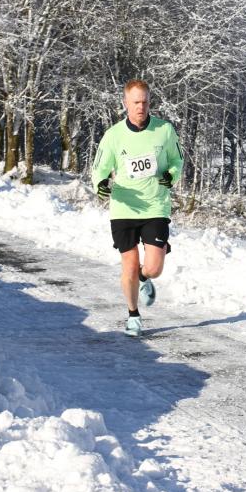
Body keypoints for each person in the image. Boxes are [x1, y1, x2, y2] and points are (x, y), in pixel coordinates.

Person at [91, 79, 184, 337]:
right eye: (135, 102)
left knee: (153, 268)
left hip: (155, 205)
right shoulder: (113, 135)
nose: (140, 107)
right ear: (125, 103)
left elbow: (177, 160)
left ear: (149, 102)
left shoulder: (164, 130)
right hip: (124, 209)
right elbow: (99, 168)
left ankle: (145, 278)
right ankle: (133, 316)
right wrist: (100, 184)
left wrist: (172, 176)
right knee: (129, 266)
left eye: (144, 102)